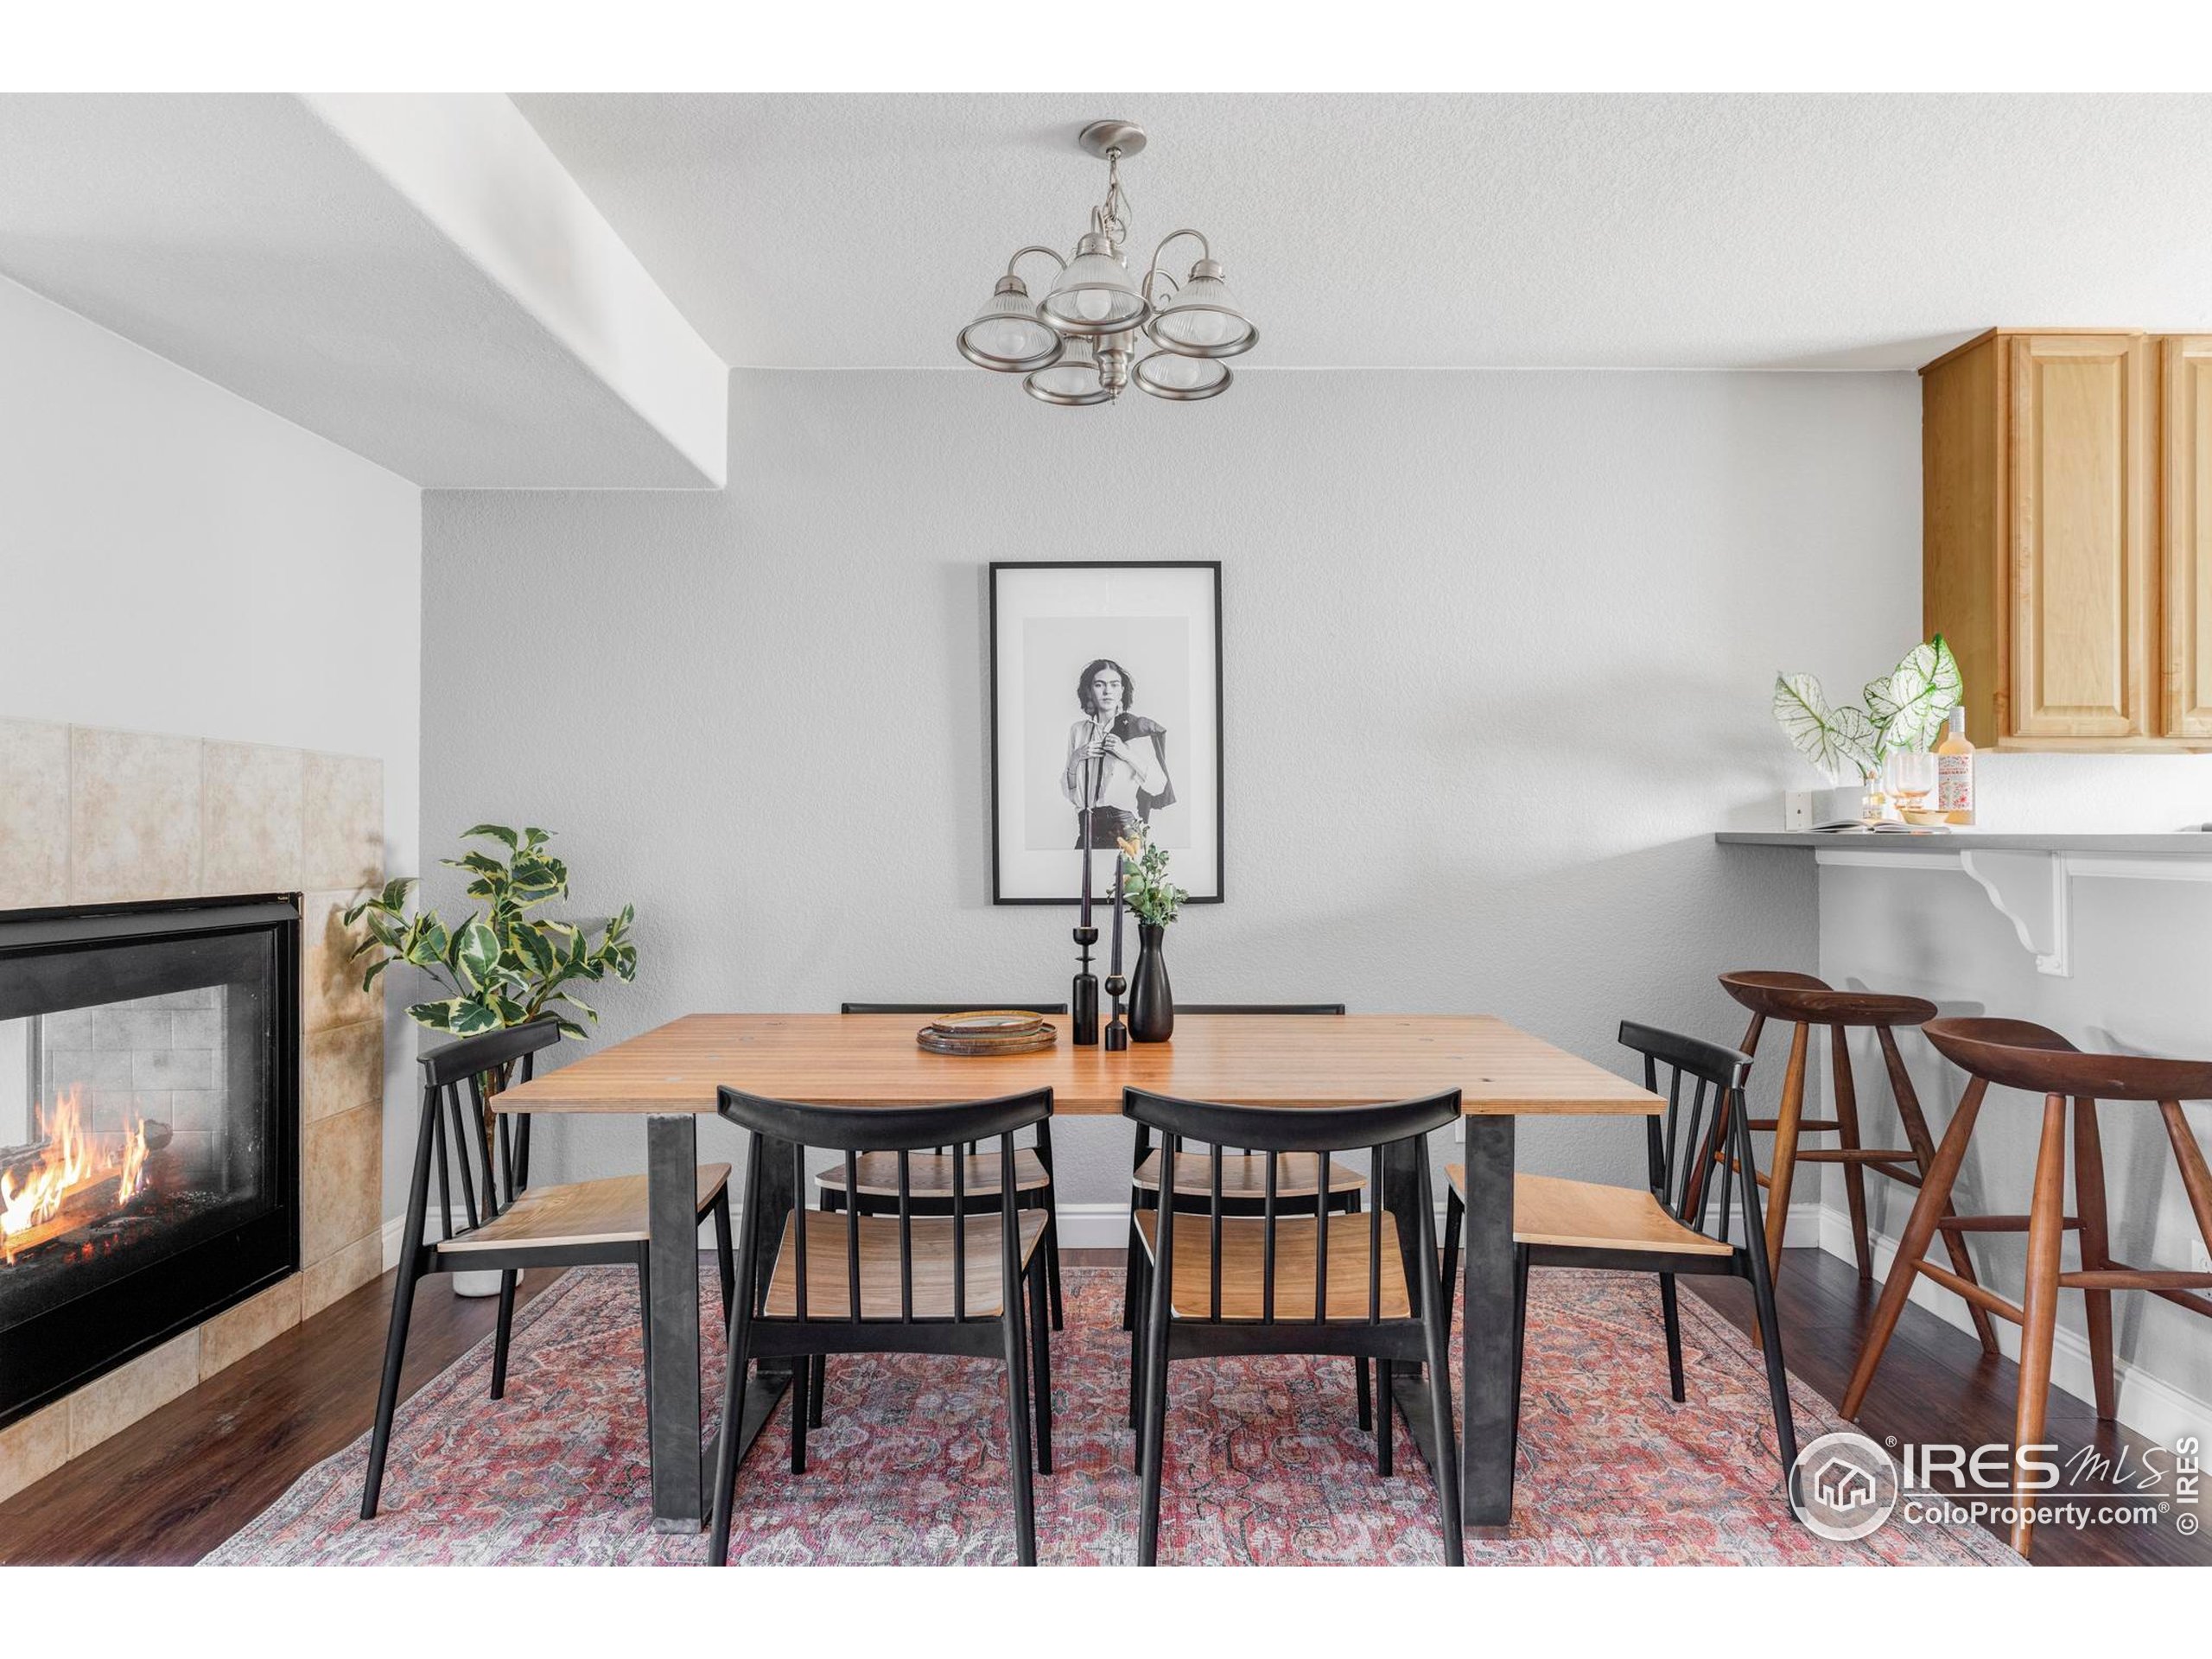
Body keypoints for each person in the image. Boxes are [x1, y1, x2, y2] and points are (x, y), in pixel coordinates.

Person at [1061, 658, 1173, 848]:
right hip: (1087, 833)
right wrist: (1076, 758)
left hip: (1125, 835)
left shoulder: (1136, 729)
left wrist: (1125, 753)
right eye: (1099, 685)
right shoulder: (1078, 731)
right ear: (1089, 690)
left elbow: (1158, 785)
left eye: (1114, 685)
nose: (1107, 691)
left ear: (1122, 691)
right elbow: (1072, 796)